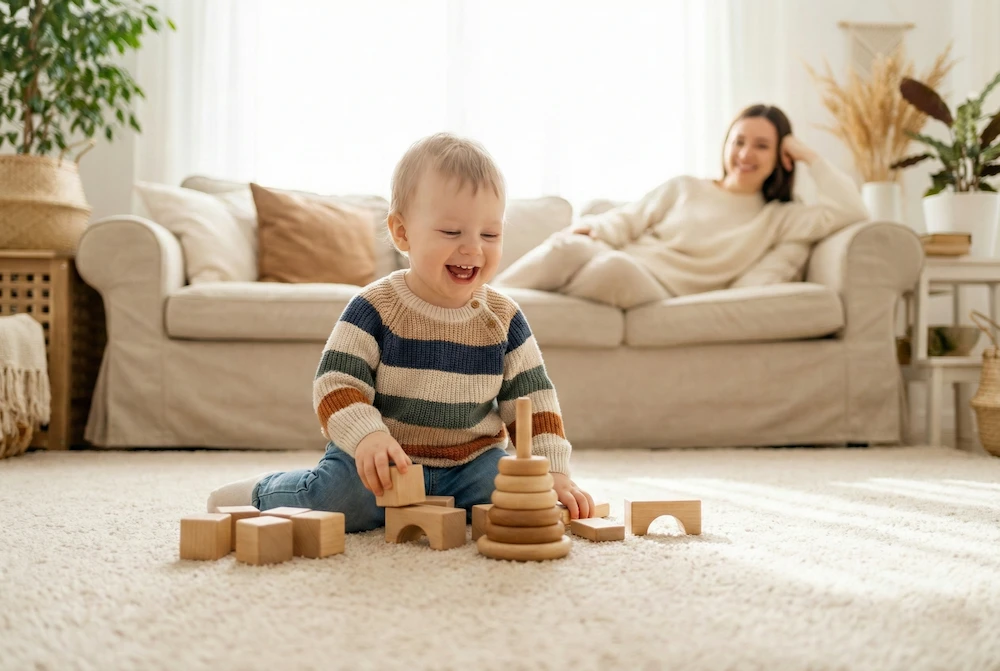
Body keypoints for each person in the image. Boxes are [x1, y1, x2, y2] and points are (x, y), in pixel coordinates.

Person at [207, 133, 595, 531]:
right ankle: (263, 492)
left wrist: (553, 471)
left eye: (489, 235)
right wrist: (368, 438)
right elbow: (336, 385)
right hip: (385, 460)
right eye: (451, 232)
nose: (472, 248)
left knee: (523, 498)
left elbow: (534, 399)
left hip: (471, 464)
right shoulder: (376, 307)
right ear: (402, 233)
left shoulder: (503, 318)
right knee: (339, 498)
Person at [494, 104, 869, 309]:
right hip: (618, 256)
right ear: (725, 145)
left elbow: (852, 211)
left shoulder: (780, 218)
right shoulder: (685, 187)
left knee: (613, 267)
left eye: (761, 145)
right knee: (570, 245)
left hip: (651, 284)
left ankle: (510, 311)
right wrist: (596, 230)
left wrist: (808, 155)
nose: (745, 154)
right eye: (738, 141)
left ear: (780, 156)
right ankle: (484, 303)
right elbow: (628, 219)